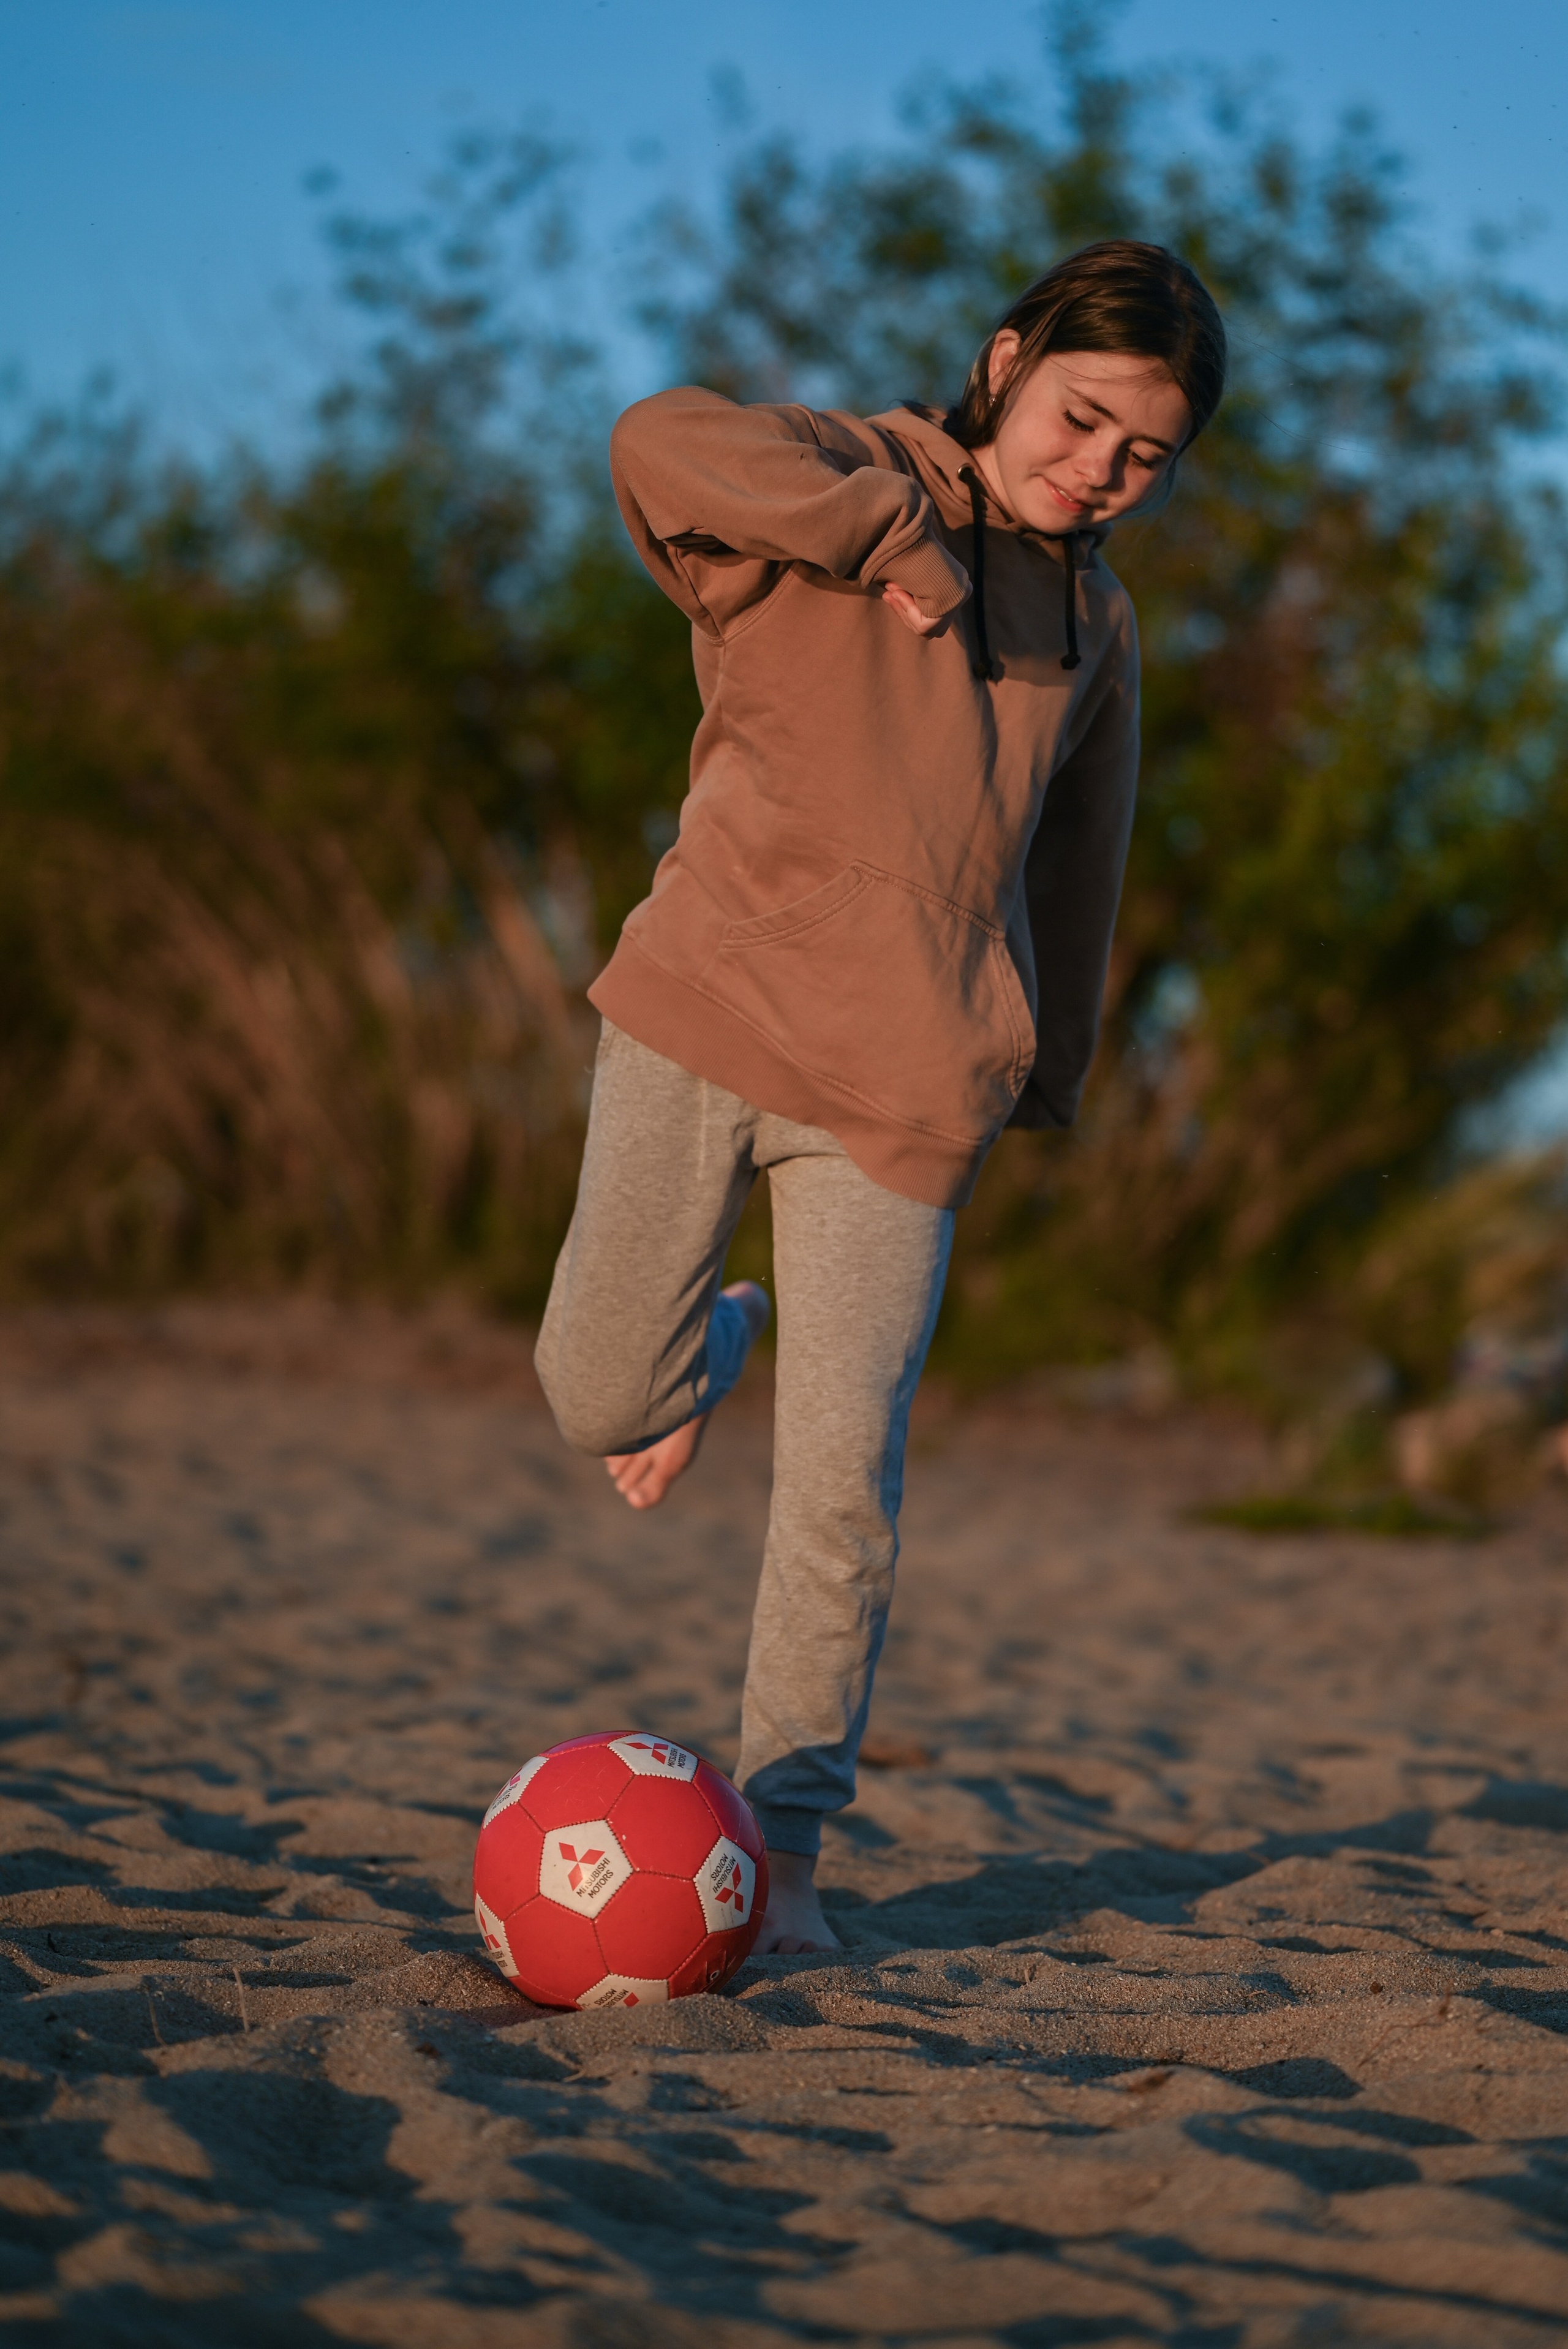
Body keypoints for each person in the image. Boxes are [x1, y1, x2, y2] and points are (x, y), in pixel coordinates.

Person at [535, 239, 1227, 1954]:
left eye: (1144, 455)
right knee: (591, 1393)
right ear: (1003, 366)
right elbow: (651, 440)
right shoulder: (838, 478)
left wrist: (1041, 1068)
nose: (1099, 471)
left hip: (912, 1087)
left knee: (845, 1492)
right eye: (1080, 421)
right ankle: (714, 1339)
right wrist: (885, 534)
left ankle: (783, 1857)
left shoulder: (1097, 619)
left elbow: (1085, 857)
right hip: (705, 1007)